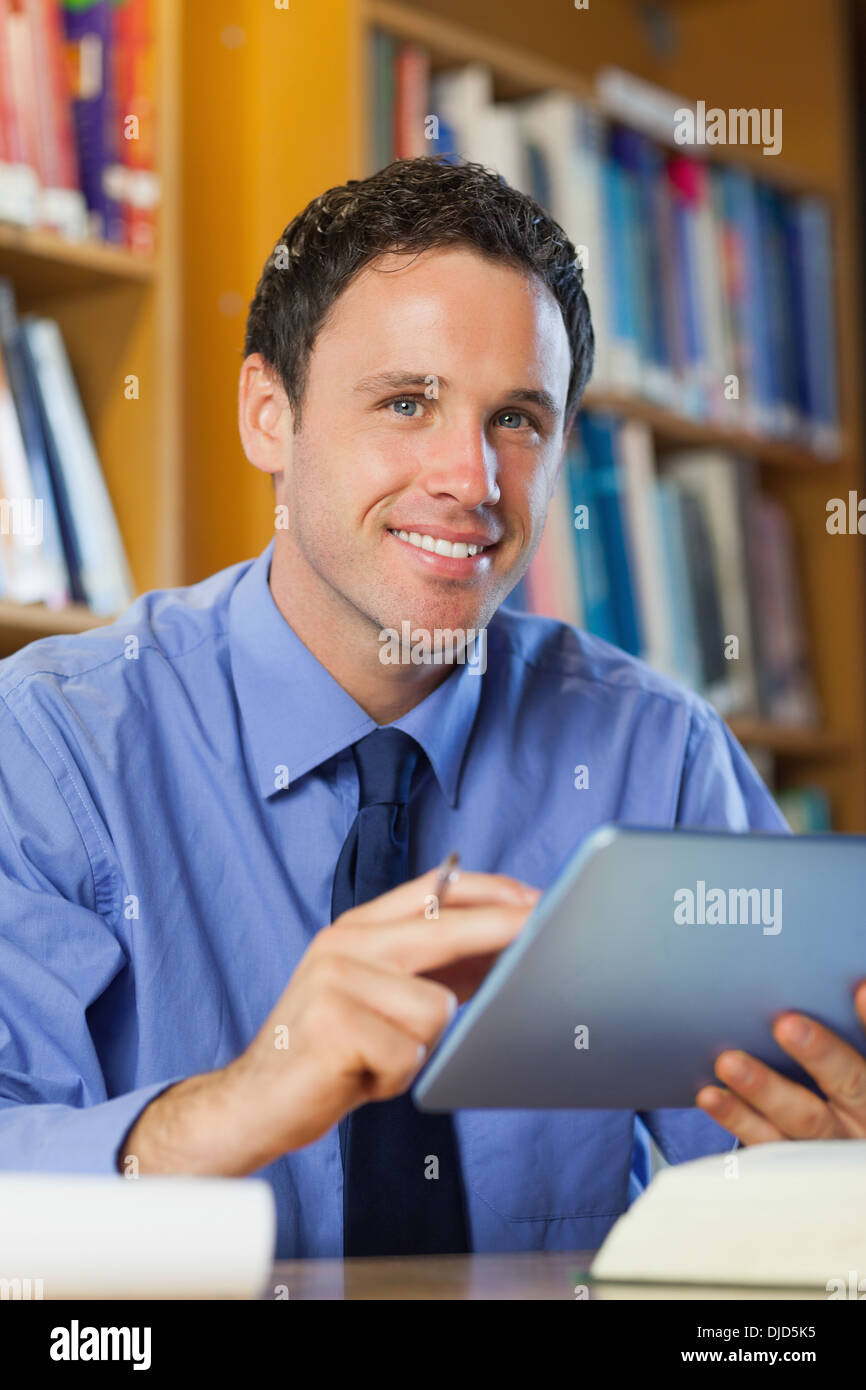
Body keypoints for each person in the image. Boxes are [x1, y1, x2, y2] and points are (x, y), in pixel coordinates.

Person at [1, 158, 863, 1261]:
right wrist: (235, 1106)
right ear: (268, 415)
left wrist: (834, 1190)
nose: (471, 478)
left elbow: (768, 1207)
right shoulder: (49, 746)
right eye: (406, 402)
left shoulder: (656, 756)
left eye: (516, 418)